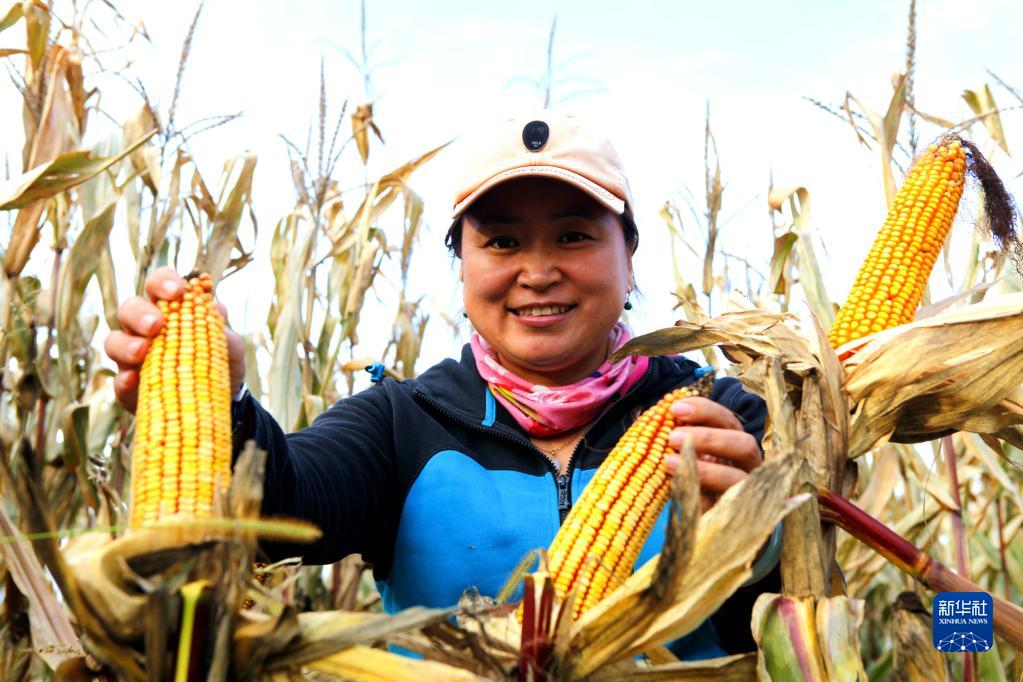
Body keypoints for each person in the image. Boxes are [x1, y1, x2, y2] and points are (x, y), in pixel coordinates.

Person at [104, 113, 780, 660]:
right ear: (462, 268)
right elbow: (278, 507)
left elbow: (783, 619)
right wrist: (216, 408)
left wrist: (755, 535)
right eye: (502, 243)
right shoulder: (402, 423)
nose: (538, 272)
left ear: (628, 259)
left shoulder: (716, 412)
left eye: (573, 237)